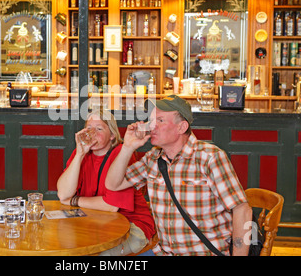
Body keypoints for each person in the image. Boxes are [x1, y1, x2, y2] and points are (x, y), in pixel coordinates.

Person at [105, 95, 253, 256]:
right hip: (163, 252)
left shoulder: (209, 158)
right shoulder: (153, 158)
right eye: (151, 120)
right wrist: (127, 147)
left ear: (181, 127)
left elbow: (242, 210)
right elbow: (113, 184)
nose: (151, 126)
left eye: (160, 120)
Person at [57, 109, 155, 256]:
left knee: (95, 255)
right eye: (89, 128)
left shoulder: (122, 154)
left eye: (99, 128)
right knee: (64, 248)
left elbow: (111, 206)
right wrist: (79, 154)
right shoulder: (82, 153)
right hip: (96, 223)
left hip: (132, 225)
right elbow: (63, 194)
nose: (92, 133)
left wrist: (74, 200)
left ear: (112, 135)